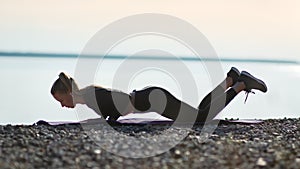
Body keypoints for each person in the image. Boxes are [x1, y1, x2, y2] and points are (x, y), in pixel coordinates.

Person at [50, 67, 267, 123]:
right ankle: (230, 79)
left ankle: (239, 85)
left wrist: (107, 120)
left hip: (152, 99)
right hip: (150, 98)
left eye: (61, 100)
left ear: (67, 92)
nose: (62, 106)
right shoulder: (88, 96)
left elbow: (118, 105)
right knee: (199, 113)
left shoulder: (90, 96)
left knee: (201, 119)